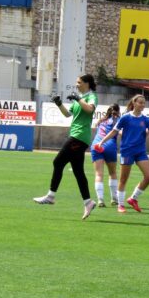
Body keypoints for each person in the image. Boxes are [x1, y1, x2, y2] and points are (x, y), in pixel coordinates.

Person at [33, 74, 99, 220]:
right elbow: (68, 114)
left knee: (58, 162)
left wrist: (78, 99)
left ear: (87, 83)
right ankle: (88, 202)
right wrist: (59, 104)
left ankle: (51, 196)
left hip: (79, 136)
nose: (76, 84)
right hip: (77, 136)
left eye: (79, 82)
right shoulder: (80, 98)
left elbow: (90, 109)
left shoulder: (91, 96)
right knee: (78, 171)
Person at [96, 95, 149, 213]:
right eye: (140, 102)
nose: (142, 105)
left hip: (140, 152)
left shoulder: (146, 119)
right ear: (134, 103)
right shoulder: (125, 118)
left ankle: (133, 198)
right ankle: (120, 205)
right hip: (127, 151)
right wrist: (102, 142)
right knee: (123, 179)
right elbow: (114, 131)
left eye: (144, 103)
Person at [91, 103, 120, 208]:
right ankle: (114, 199)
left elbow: (96, 127)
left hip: (96, 145)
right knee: (112, 173)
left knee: (99, 174)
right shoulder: (118, 120)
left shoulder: (101, 120)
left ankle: (100, 200)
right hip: (109, 146)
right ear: (118, 111)